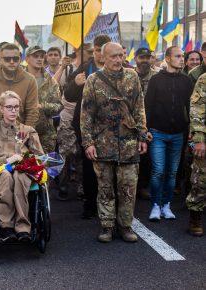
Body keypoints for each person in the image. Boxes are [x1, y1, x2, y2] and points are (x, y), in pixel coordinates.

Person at [81, 42, 147, 243]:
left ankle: (125, 226)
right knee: (106, 188)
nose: (118, 60)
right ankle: (107, 227)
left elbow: (139, 108)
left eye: (120, 55)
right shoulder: (93, 81)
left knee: (128, 188)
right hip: (103, 144)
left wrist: (142, 136)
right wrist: (88, 143)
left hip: (128, 144)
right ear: (103, 57)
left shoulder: (132, 76)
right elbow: (86, 115)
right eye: (113, 56)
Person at [0, 91, 44, 242]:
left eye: (16, 107)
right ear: (1, 108)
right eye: (9, 107)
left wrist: (25, 161)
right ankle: (5, 226)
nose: (13, 110)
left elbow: (40, 157)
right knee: (6, 176)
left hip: (23, 172)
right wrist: (7, 160)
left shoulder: (28, 131)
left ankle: (23, 227)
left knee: (19, 176)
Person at [145, 46, 193, 221]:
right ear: (167, 58)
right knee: (158, 171)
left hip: (178, 134)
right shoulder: (156, 80)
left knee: (172, 173)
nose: (182, 59)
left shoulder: (187, 81)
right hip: (157, 132)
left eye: (182, 56)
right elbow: (147, 106)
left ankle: (167, 205)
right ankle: (155, 206)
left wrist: (190, 131)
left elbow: (191, 107)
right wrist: (145, 130)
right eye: (178, 56)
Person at [64, 34, 110, 214]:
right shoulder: (84, 68)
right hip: (86, 124)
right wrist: (75, 84)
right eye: (97, 50)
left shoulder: (119, 67)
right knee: (90, 164)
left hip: (110, 126)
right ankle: (90, 203)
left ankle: (108, 203)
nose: (100, 54)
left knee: (110, 165)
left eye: (104, 49)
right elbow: (68, 96)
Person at [0, 43, 39, 135]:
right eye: (7, 59)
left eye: (15, 59)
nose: (11, 62)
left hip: (21, 134)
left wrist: (23, 137)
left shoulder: (30, 80)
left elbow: (32, 112)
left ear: (20, 58)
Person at [25, 45, 62, 153]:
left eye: (41, 56)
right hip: (22, 132)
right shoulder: (19, 78)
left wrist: (42, 106)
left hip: (45, 134)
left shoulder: (51, 81)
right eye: (35, 56)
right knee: (21, 166)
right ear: (27, 59)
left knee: (45, 167)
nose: (39, 59)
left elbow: (58, 106)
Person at [134, 47, 158, 200]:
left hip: (151, 121)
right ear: (135, 59)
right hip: (131, 122)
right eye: (141, 58)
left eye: (147, 58)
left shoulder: (156, 77)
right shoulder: (129, 75)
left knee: (147, 157)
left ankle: (142, 186)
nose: (144, 61)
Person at [186, 73, 205, 237]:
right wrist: (199, 139)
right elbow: (197, 109)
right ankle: (195, 217)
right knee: (201, 180)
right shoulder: (204, 79)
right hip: (204, 139)